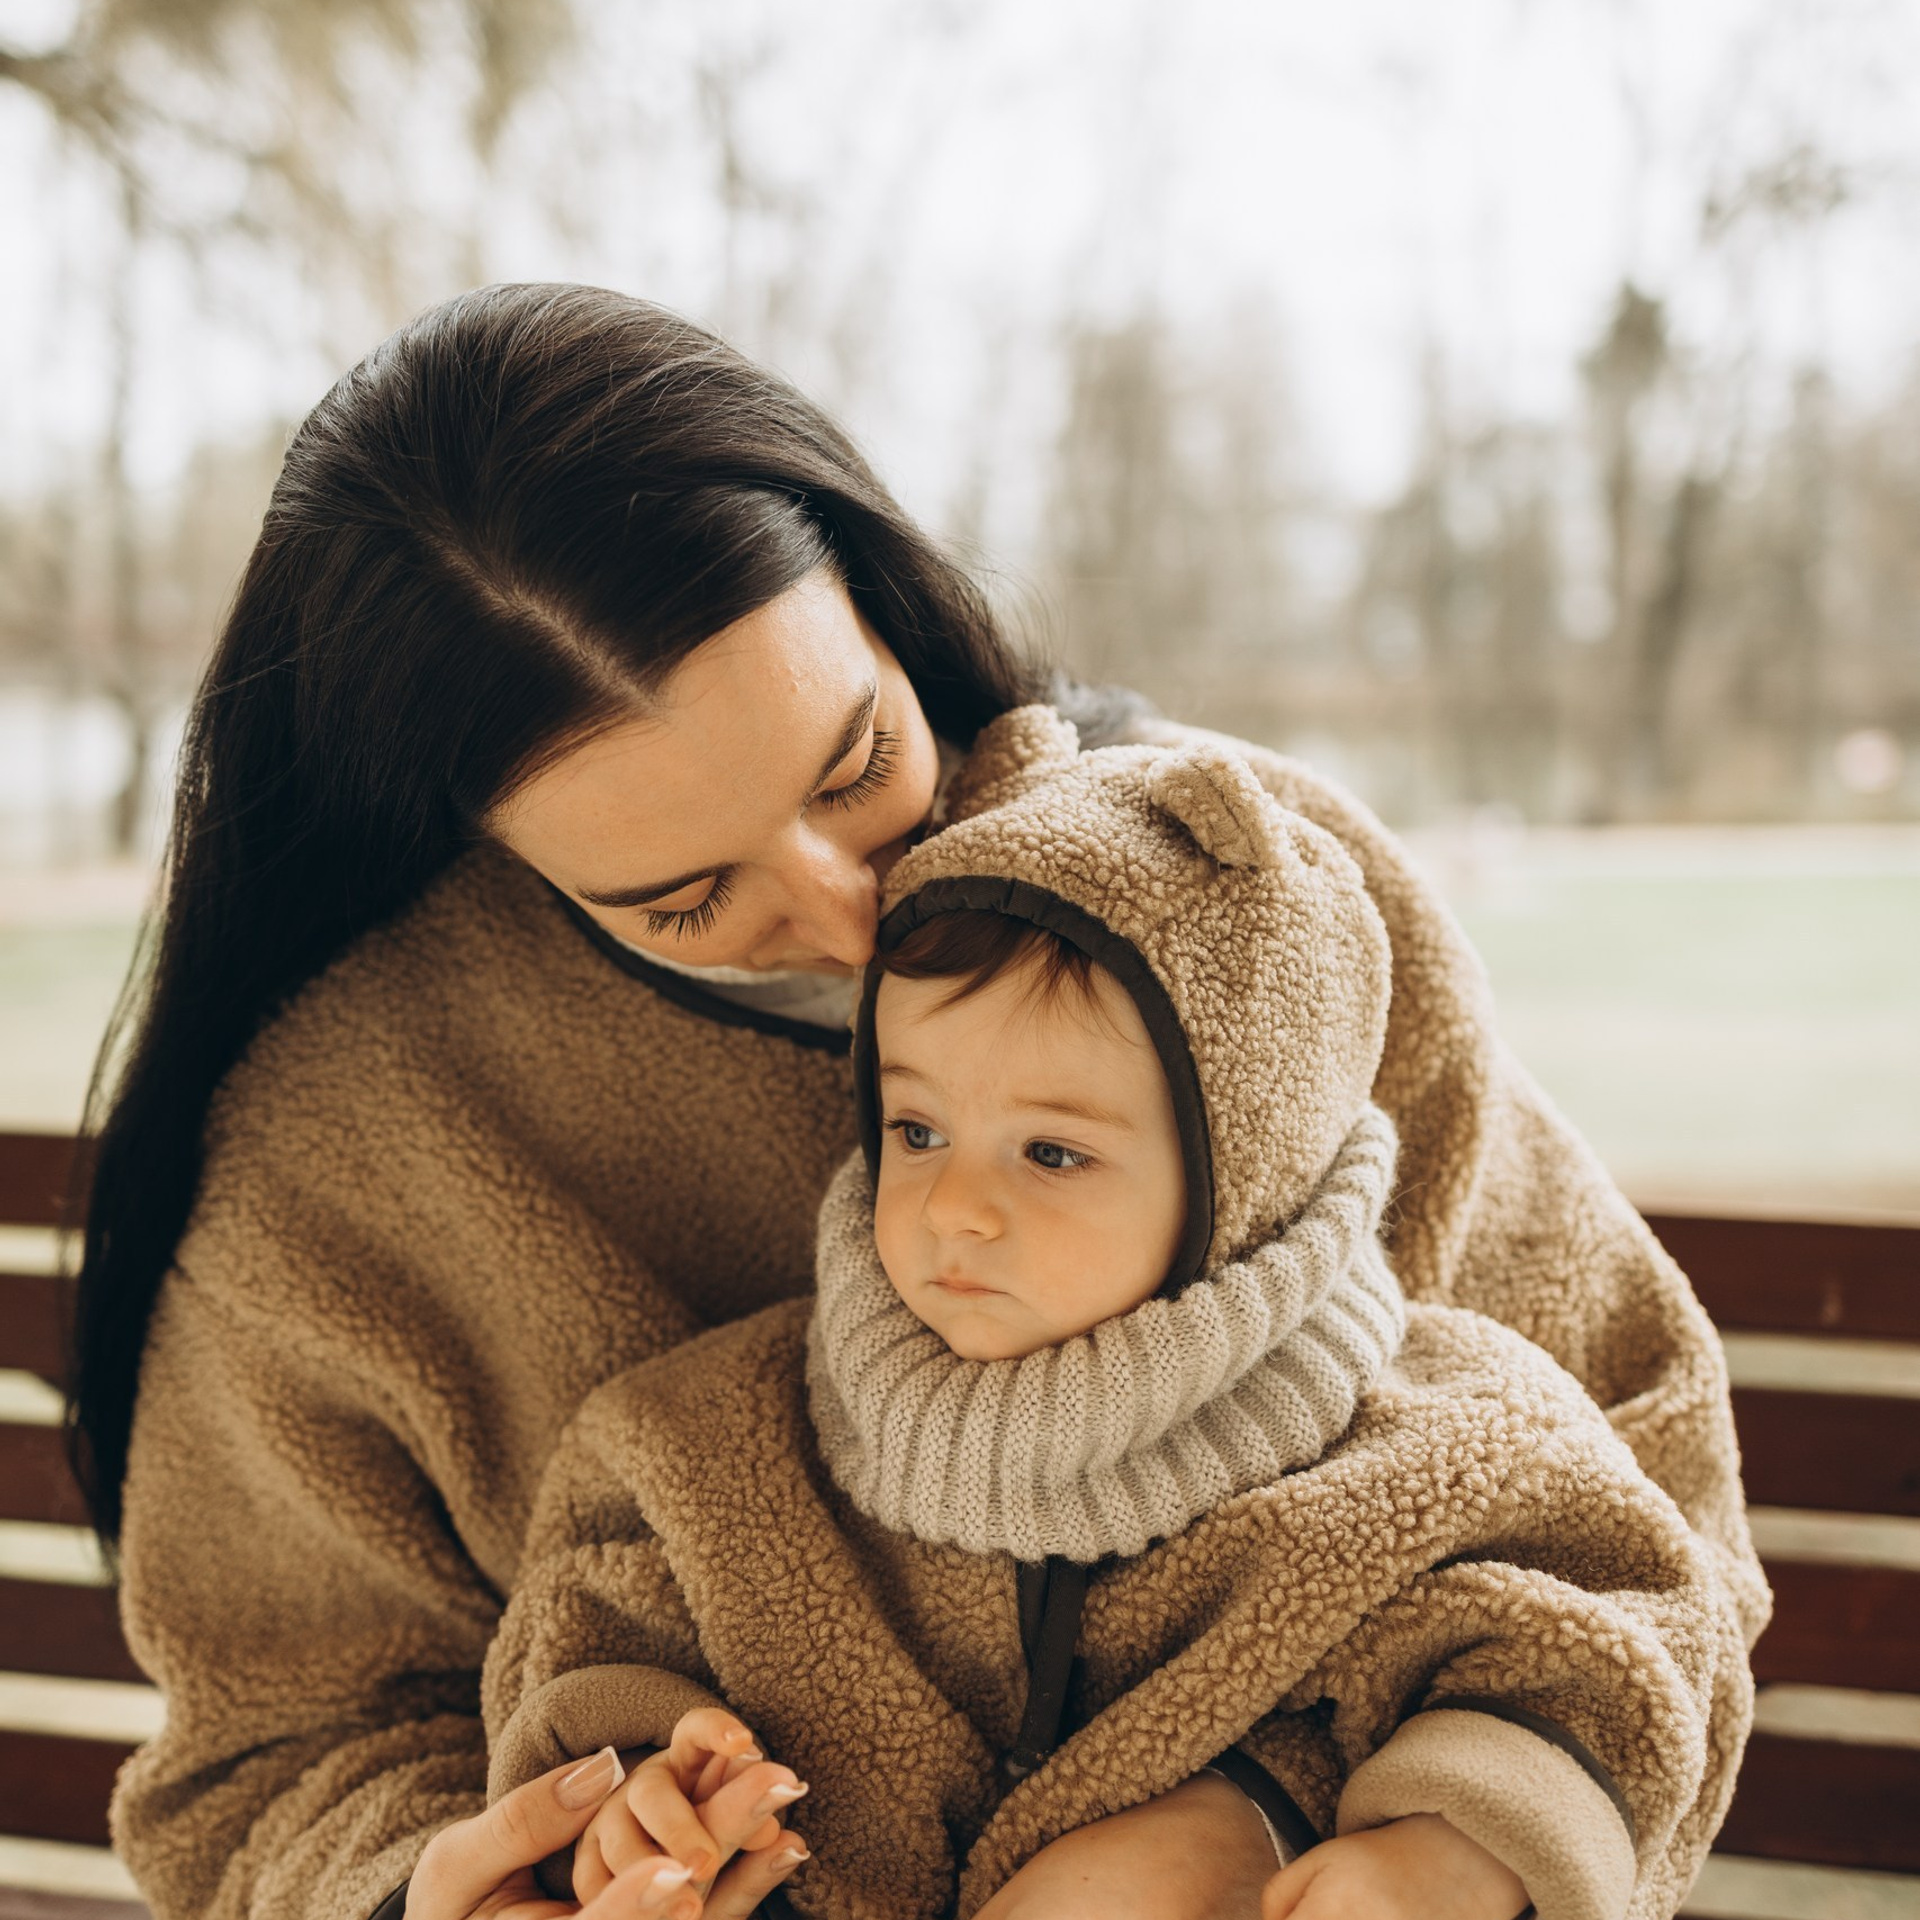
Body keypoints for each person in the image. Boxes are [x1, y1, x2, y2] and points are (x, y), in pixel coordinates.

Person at [68, 284, 1766, 1920]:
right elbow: (276, 1754)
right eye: (683, 900)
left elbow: (1636, 1485)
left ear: (881, 593)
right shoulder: (348, 1152)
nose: (843, 916)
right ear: (482, 852)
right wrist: (456, 1889)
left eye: (857, 762)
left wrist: (1259, 1813)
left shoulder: (1255, 908)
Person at [481, 710, 1739, 1920]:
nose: (955, 1208)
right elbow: (590, 1639)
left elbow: (1607, 1648)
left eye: (1052, 1154)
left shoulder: (1447, 1449)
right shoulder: (707, 1447)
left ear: (1241, 1176)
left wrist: (1456, 1845)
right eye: (917, 1130)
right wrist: (638, 1794)